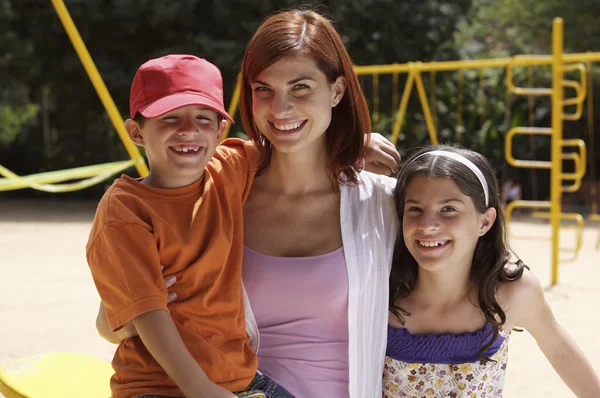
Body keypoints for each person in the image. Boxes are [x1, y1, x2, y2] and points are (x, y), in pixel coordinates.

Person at [97, 9, 401, 398]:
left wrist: (348, 146)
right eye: (263, 90)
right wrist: (139, 306)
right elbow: (111, 322)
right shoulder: (216, 187)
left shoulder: (381, 204)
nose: (280, 109)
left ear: (337, 91)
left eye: (301, 87)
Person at [86, 54, 295, 398]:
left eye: (203, 117)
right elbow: (149, 314)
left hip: (238, 378)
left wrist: (350, 147)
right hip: (159, 385)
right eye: (169, 118)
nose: (188, 129)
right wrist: (200, 389)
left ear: (220, 130)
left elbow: (294, 150)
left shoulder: (228, 169)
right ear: (137, 131)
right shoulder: (124, 209)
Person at [384, 145, 600, 397]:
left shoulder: (511, 292)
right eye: (415, 209)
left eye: (448, 209)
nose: (427, 225)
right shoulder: (382, 291)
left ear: (484, 221)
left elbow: (560, 351)